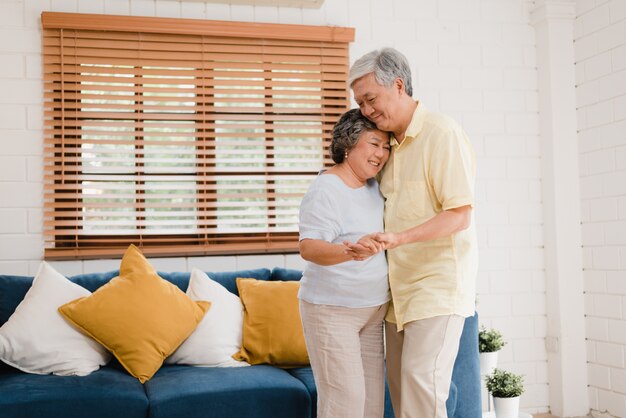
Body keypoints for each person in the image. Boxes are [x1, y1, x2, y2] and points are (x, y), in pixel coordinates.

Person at [346, 48, 479, 418]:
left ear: (399, 85)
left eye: (371, 99)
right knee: (403, 394)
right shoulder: (386, 146)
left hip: (437, 286)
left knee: (422, 387)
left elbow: (459, 215)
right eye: (360, 103)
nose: (367, 110)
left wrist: (400, 238)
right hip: (398, 290)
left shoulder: (441, 133)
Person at [298, 108, 391, 418]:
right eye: (374, 143)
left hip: (372, 311)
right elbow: (309, 248)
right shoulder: (327, 188)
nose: (381, 153)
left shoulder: (373, 186)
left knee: (371, 407)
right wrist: (349, 252)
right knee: (344, 406)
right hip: (332, 311)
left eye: (386, 146)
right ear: (349, 144)